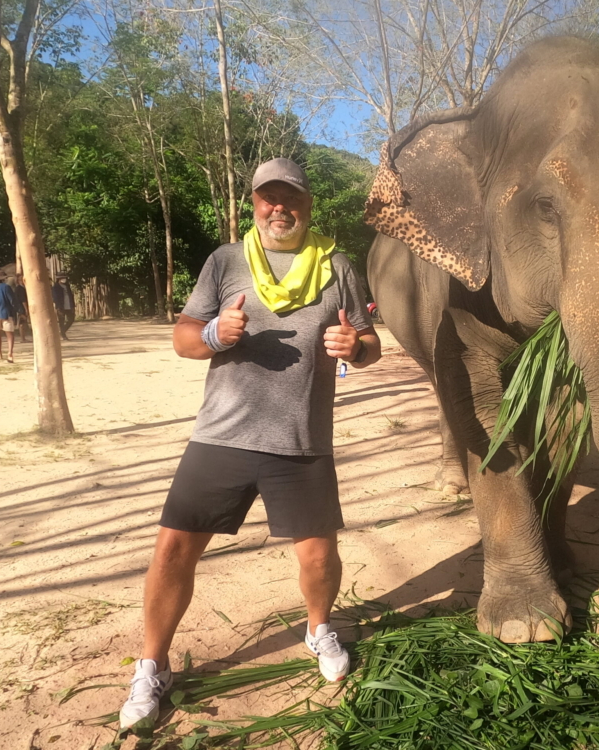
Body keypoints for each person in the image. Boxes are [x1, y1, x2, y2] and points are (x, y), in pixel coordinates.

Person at [119, 158, 382, 729]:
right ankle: (152, 665)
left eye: (290, 198)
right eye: (269, 198)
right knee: (172, 552)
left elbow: (368, 340)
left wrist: (354, 347)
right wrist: (214, 334)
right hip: (223, 434)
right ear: (255, 203)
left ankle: (319, 630)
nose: (279, 208)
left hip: (302, 439)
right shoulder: (225, 261)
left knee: (317, 556)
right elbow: (184, 338)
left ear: (308, 204)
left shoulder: (339, 266)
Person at [51, 273, 75, 340]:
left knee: (71, 319)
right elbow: (55, 297)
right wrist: (58, 306)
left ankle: (62, 331)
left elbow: (71, 296)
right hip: (61, 306)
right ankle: (63, 335)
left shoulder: (67, 286)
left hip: (69, 305)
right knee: (61, 321)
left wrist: (73, 305)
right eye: (62, 278)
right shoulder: (55, 287)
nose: (64, 280)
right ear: (59, 279)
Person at [15, 274, 30, 344]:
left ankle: (23, 338)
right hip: (21, 307)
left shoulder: (23, 288)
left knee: (23, 323)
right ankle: (22, 338)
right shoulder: (19, 288)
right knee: (22, 323)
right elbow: (23, 300)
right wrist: (26, 309)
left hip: (21, 307)